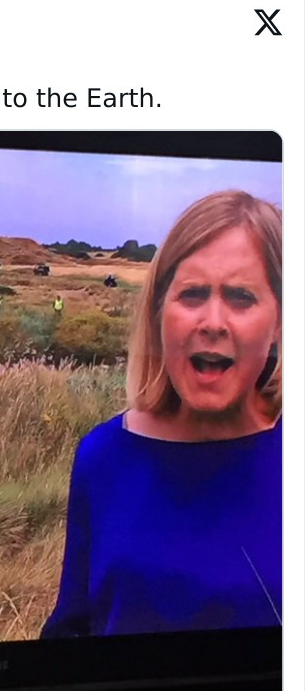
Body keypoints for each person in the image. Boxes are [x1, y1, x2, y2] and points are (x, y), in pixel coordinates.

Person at [42, 191, 282, 638]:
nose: (213, 321)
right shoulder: (104, 457)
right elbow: (71, 634)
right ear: (158, 313)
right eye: (191, 294)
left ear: (281, 322)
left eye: (240, 297)